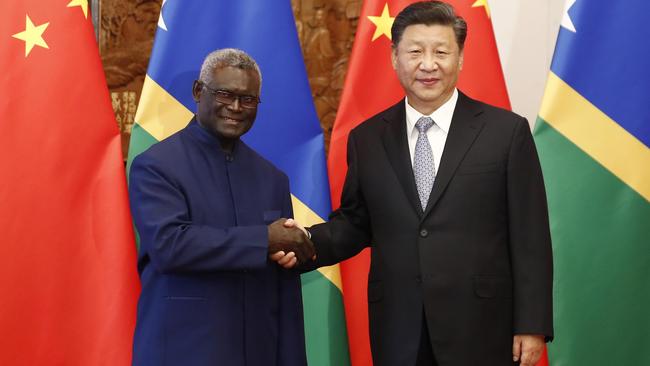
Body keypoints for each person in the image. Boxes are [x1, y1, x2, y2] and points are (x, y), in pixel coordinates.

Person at [281, 2, 553, 365]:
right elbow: (357, 223)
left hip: (482, 326)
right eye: (415, 52)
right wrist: (307, 243)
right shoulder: (367, 138)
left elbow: (530, 235)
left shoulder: (506, 133)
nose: (428, 64)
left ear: (460, 59)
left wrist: (531, 325)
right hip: (398, 325)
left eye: (441, 52)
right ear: (395, 58)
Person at [128, 48, 314, 366]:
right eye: (225, 94)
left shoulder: (272, 179)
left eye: (248, 99)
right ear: (199, 92)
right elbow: (170, 246)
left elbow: (284, 288)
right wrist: (265, 239)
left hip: (259, 352)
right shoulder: (156, 166)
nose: (236, 107)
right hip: (182, 352)